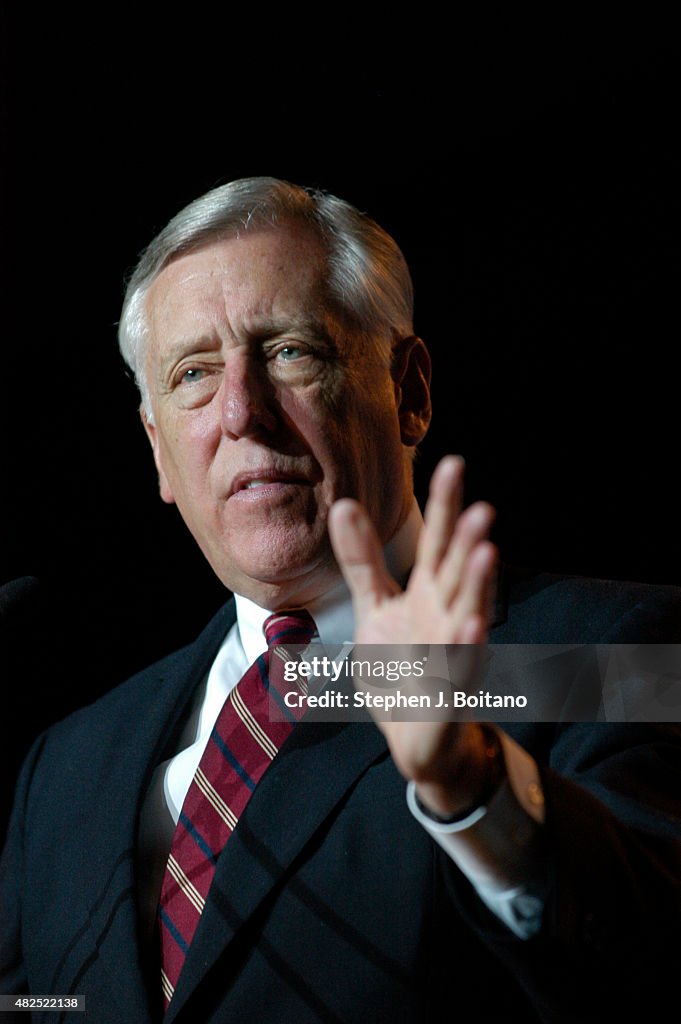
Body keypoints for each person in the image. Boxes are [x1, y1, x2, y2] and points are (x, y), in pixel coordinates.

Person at [1, 176, 680, 1023]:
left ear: (410, 391)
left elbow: (654, 961)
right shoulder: (65, 768)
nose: (242, 412)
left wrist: (471, 788)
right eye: (193, 374)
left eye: (290, 351)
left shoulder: (603, 657)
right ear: (158, 453)